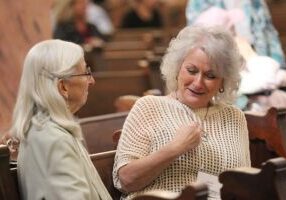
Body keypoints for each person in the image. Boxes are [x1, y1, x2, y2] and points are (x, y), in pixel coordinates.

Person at [113, 26, 251, 200]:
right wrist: (175, 148)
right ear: (178, 68)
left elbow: (243, 184)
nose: (198, 83)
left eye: (210, 76)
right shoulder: (149, 107)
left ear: (223, 81)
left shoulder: (234, 116)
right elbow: (125, 180)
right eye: (192, 71)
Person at [9, 39, 112, 200]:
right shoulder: (52, 139)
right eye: (86, 72)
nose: (92, 81)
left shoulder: (50, 130)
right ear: (63, 87)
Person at [185, 0, 286, 68]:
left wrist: (279, 68)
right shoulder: (200, 3)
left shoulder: (256, 2)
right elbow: (197, 38)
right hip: (221, 61)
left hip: (256, 57)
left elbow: (269, 34)